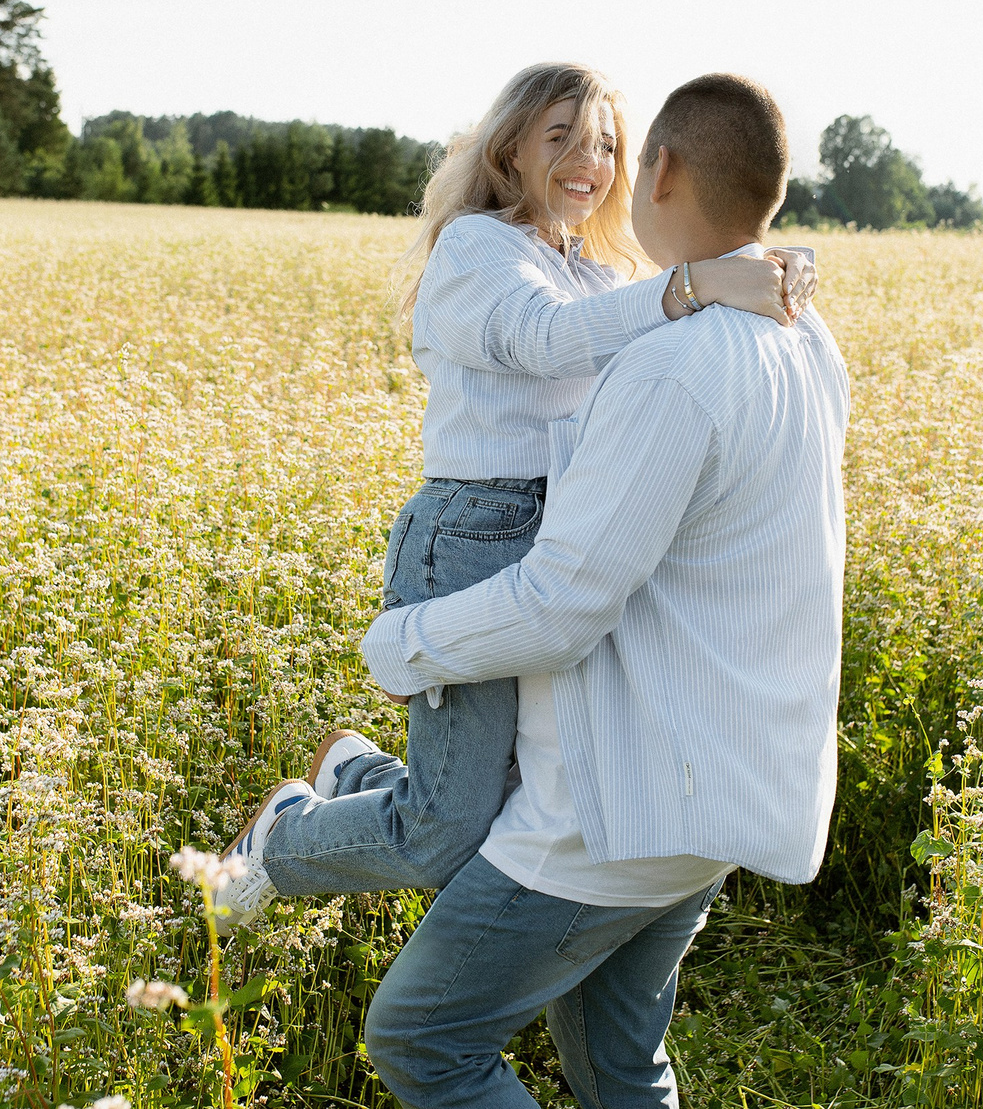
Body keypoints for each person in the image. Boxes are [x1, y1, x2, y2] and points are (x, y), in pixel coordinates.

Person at [207, 63, 817, 929]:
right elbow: (546, 338)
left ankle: (350, 771)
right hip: (473, 538)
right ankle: (279, 839)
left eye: (606, 144)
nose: (588, 161)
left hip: (558, 540)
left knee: (515, 800)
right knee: (443, 833)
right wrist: (700, 284)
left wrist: (769, 265)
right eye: (561, 136)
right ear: (511, 150)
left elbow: (661, 317)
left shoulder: (598, 272)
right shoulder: (477, 249)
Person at [354, 74, 848, 1108]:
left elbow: (560, 606)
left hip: (614, 814)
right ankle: (354, 782)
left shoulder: (674, 364)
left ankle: (337, 792)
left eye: (613, 146)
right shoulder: (807, 338)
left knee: (423, 1040)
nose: (594, 164)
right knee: (621, 1068)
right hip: (724, 799)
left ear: (657, 169)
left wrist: (400, 645)